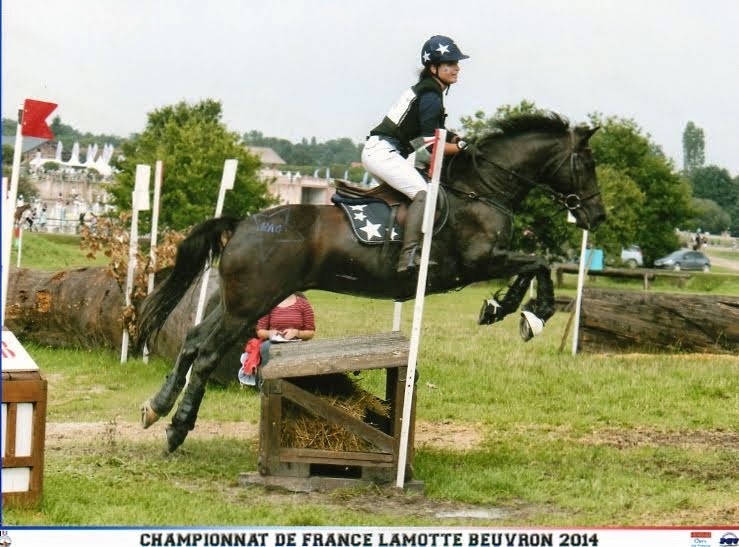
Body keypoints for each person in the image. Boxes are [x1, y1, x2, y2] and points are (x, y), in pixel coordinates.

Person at [362, 35, 470, 272]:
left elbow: (437, 131)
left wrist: (455, 138)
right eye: (450, 64)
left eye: (456, 63)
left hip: (386, 151)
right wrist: (462, 147)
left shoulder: (430, 91)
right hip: (384, 152)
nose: (456, 68)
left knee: (415, 193)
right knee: (424, 193)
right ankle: (409, 255)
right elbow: (430, 147)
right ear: (433, 68)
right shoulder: (431, 95)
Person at [238, 293, 316, 386]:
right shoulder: (270, 304)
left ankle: (296, 384)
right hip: (274, 343)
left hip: (297, 343)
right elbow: (260, 331)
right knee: (266, 347)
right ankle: (268, 384)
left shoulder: (303, 304)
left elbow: (310, 332)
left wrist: (297, 333)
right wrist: (270, 333)